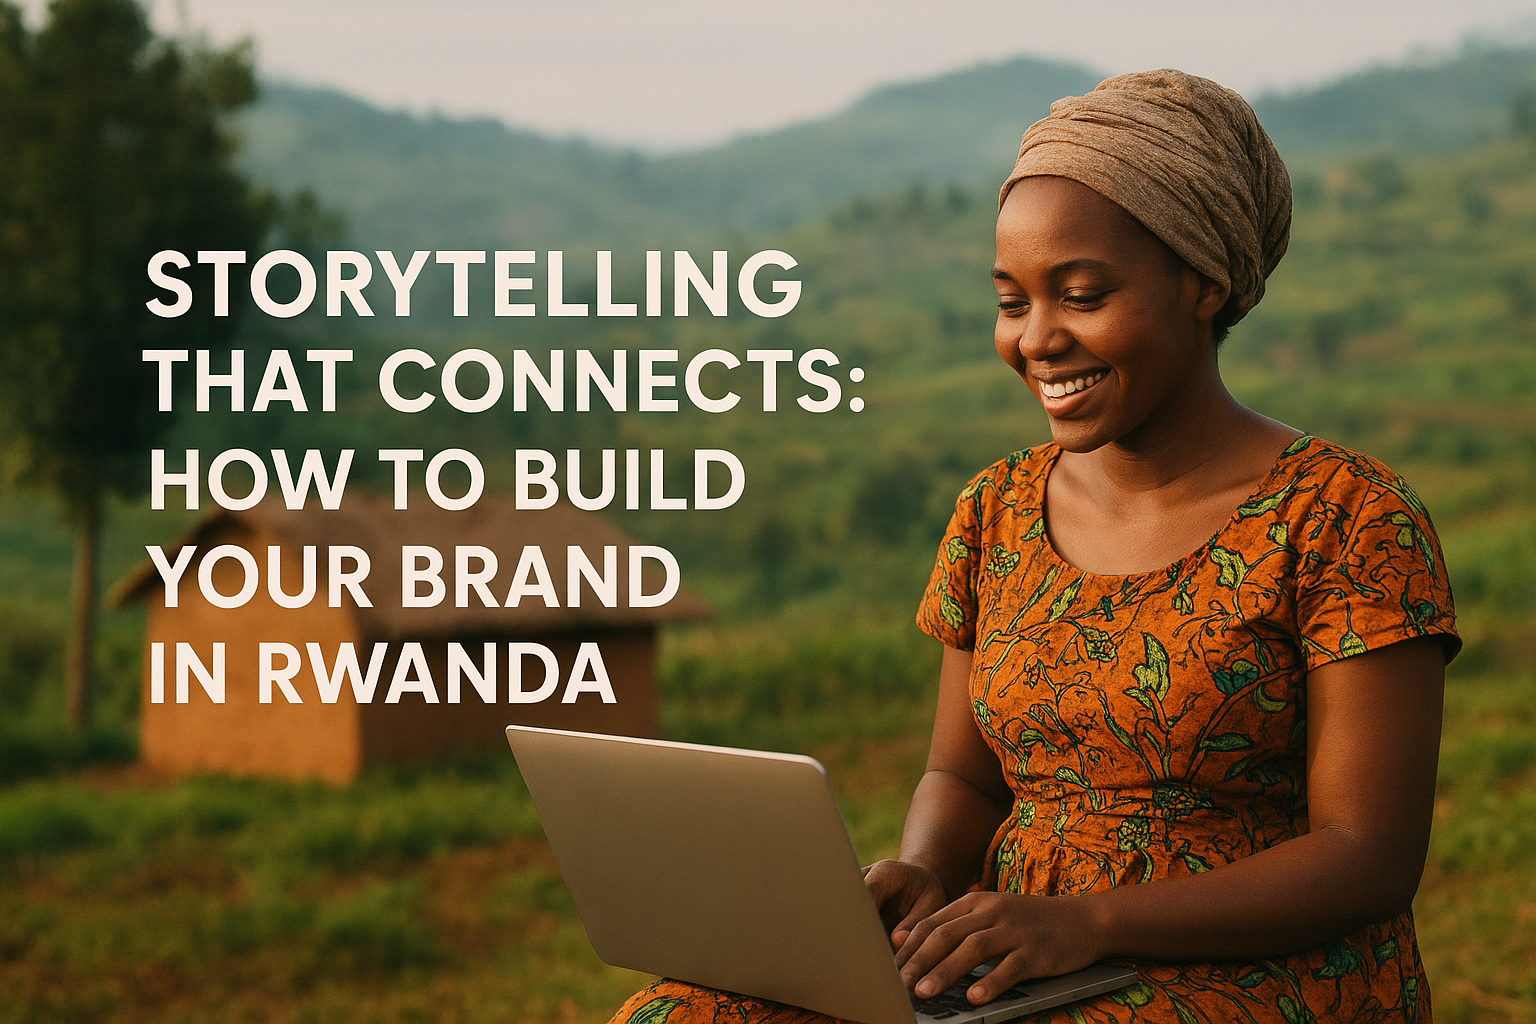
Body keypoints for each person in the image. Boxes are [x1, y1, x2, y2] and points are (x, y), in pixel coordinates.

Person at [608, 69, 1458, 1024]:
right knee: (680, 1014)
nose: (1039, 339)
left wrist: (1087, 923)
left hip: (1253, 969)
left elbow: (1367, 855)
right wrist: (925, 875)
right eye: (1013, 302)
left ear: (1205, 284)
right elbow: (962, 774)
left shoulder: (1346, 515)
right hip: (1015, 954)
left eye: (1083, 295)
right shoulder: (996, 510)